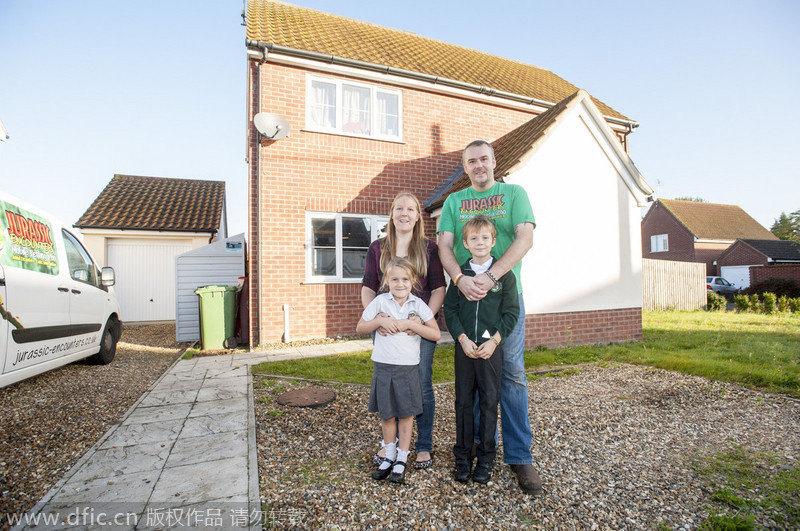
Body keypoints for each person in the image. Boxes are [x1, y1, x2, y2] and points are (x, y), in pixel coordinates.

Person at [437, 140, 542, 495]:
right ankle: (482, 452)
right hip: (467, 299)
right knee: (476, 379)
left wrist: (491, 276)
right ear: (464, 166)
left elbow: (525, 239)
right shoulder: (454, 201)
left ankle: (519, 456)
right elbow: (445, 246)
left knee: (510, 375)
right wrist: (460, 279)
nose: (478, 165)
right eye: (471, 161)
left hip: (504, 300)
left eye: (484, 159)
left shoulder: (514, 194)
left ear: (494, 161)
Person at [361, 192, 446, 469]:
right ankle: (392, 444)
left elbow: (437, 288)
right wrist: (377, 317)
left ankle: (423, 445)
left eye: (410, 209)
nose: (404, 213)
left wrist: (422, 322)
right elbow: (368, 287)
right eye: (399, 208)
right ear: (392, 213)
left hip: (417, 327)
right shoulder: (377, 248)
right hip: (385, 327)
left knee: (420, 385)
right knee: (388, 386)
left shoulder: (429, 248)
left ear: (418, 215)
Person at [443, 215, 519, 484]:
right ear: (465, 242)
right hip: (465, 347)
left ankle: (486, 459)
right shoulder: (459, 277)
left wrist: (494, 341)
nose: (479, 242)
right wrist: (462, 338)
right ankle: (462, 457)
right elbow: (450, 310)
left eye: (485, 238)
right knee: (463, 403)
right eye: (473, 238)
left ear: (493, 241)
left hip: (489, 348)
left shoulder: (504, 276)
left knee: (488, 403)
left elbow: (511, 313)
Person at [356, 258, 442, 484]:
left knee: (405, 415)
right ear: (386, 281)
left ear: (413, 281)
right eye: (394, 279)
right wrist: (378, 322)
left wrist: (414, 325)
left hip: (407, 369)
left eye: (405, 279)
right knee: (387, 415)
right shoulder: (380, 303)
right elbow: (360, 327)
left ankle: (402, 458)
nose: (400, 284)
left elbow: (435, 334)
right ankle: (389, 455)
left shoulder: (418, 306)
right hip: (384, 367)